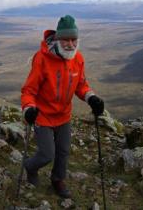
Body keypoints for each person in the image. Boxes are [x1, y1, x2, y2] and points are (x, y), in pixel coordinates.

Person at [20, 15, 104, 198]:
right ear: (57, 39)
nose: (70, 44)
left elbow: (81, 85)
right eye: (66, 39)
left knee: (64, 151)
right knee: (46, 155)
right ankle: (29, 167)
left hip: (64, 115)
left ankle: (57, 180)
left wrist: (91, 98)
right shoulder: (41, 59)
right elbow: (29, 90)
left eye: (74, 39)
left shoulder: (78, 59)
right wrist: (28, 108)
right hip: (42, 115)